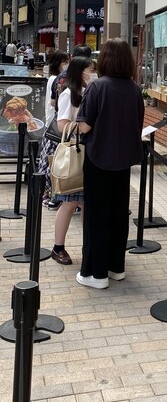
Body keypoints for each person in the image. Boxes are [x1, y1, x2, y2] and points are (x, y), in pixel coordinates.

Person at [76, 38, 144, 289]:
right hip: (124, 161)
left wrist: (73, 125)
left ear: (105, 58)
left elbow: (85, 126)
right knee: (118, 214)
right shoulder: (134, 89)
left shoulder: (97, 87)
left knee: (96, 216)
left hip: (98, 159)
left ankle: (96, 274)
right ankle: (116, 267)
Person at [50, 56, 94, 266]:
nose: (92, 74)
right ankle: (58, 247)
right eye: (90, 70)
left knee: (86, 203)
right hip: (75, 153)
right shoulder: (69, 93)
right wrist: (84, 126)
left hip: (87, 152)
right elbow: (62, 126)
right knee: (69, 202)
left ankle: (88, 246)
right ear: (80, 72)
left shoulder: (87, 91)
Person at [37, 50, 70, 206]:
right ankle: (50, 194)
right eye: (65, 61)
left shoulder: (56, 78)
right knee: (53, 161)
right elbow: (53, 103)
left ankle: (49, 194)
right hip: (54, 126)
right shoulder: (55, 79)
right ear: (58, 63)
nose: (67, 64)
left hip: (53, 124)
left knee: (51, 160)